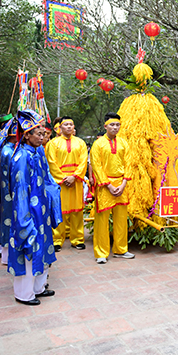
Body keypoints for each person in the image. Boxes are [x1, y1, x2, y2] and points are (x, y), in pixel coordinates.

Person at [8, 110, 62, 306]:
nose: (42, 137)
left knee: (43, 247)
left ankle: (39, 287)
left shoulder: (38, 152)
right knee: (29, 249)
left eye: (43, 133)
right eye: (37, 133)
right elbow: (20, 191)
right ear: (26, 135)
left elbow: (47, 179)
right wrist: (23, 220)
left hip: (42, 211)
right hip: (29, 213)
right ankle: (24, 294)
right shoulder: (21, 157)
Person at [90, 112, 133, 263]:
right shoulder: (98, 144)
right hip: (104, 186)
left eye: (117, 125)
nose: (115, 127)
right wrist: (107, 184)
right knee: (102, 220)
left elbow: (129, 164)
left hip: (121, 184)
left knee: (121, 219)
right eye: (112, 125)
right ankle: (101, 253)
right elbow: (96, 166)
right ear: (105, 126)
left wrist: (123, 184)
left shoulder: (124, 143)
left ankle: (121, 249)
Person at [45, 116, 88, 252]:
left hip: (76, 181)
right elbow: (51, 162)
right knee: (60, 211)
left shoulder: (80, 143)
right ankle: (57, 240)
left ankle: (78, 239)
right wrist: (64, 178)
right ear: (60, 127)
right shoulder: (53, 143)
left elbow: (83, 161)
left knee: (77, 211)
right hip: (61, 182)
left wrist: (74, 177)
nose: (69, 127)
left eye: (71, 124)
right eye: (66, 124)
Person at [0, 118, 17, 265]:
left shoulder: (11, 149)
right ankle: (8, 254)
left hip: (11, 191)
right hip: (10, 192)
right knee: (9, 218)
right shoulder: (8, 151)